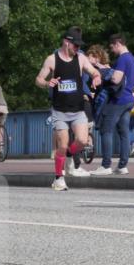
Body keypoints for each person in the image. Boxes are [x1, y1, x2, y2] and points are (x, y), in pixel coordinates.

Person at [35, 27, 102, 190]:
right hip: (59, 111)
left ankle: (70, 155)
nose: (78, 48)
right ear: (66, 42)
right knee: (62, 145)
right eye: (76, 45)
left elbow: (94, 71)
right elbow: (38, 79)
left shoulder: (81, 59)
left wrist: (96, 77)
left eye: (79, 46)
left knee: (82, 141)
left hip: (78, 110)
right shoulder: (52, 59)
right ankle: (58, 178)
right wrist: (46, 83)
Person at [91, 34, 134, 176]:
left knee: (106, 130)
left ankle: (106, 166)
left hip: (118, 100)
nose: (111, 50)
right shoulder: (132, 58)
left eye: (112, 47)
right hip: (129, 99)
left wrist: (104, 72)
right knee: (124, 133)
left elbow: (116, 79)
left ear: (118, 44)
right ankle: (123, 166)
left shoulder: (122, 58)